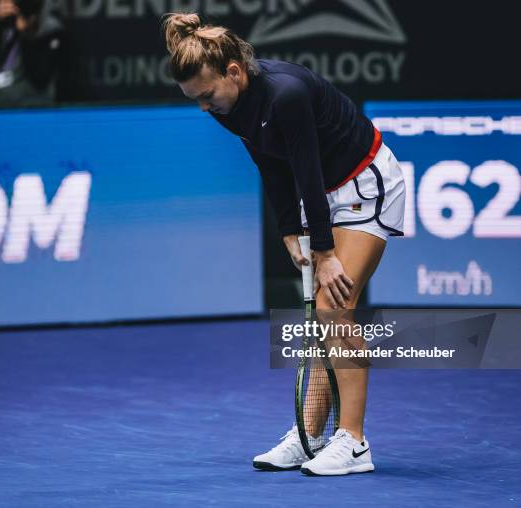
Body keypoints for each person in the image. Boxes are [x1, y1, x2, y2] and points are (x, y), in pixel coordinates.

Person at [162, 13, 406, 476]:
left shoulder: (286, 94)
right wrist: (287, 232)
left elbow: (306, 169)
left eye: (207, 95)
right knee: (324, 314)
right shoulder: (226, 106)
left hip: (365, 185)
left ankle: (354, 442)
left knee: (335, 306)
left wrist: (325, 250)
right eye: (196, 100)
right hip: (325, 195)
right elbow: (270, 163)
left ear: (234, 72)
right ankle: (311, 435)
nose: (204, 107)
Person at [0, 0, 68, 107]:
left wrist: (27, 32)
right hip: (0, 109)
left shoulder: (51, 29)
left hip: (34, 110)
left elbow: (40, 77)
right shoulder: (6, 24)